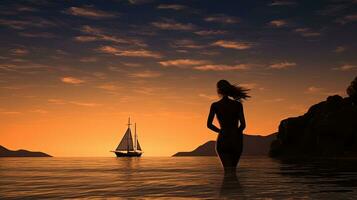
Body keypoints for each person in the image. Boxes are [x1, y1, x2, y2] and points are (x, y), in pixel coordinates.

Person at [207, 80, 250, 172]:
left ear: (218, 91)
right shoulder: (238, 105)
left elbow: (209, 125)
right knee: (233, 171)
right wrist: (236, 133)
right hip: (236, 139)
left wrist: (221, 131)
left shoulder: (215, 105)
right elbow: (243, 125)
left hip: (223, 138)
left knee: (227, 172)